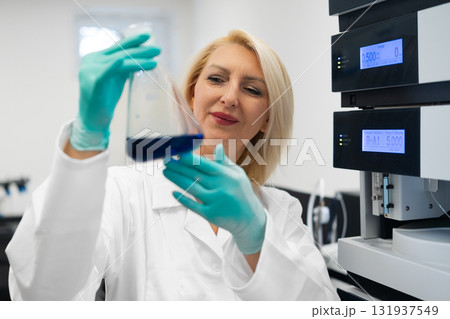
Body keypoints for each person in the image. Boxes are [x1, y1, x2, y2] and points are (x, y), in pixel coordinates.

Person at [6, 30, 339, 301]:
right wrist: (86, 135)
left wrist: (254, 233)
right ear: (192, 94)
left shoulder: (281, 211)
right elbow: (42, 297)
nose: (230, 97)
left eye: (252, 89)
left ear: (267, 119)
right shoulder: (124, 192)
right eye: (217, 79)